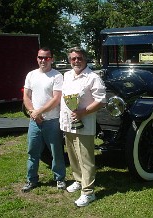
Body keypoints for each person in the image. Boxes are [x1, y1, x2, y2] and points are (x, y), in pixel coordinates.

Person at [60, 47, 106, 207]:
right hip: (67, 123)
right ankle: (79, 181)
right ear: (69, 60)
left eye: (79, 58)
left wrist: (82, 112)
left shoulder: (93, 77)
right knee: (72, 156)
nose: (76, 61)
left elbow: (101, 100)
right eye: (73, 58)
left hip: (84, 124)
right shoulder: (66, 75)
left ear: (85, 59)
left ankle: (88, 192)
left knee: (86, 159)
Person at [21, 47, 66, 192]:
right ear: (37, 58)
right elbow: (26, 97)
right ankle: (31, 180)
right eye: (40, 57)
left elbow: (56, 98)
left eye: (46, 58)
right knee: (32, 152)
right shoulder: (31, 75)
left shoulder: (57, 76)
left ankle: (59, 178)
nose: (43, 60)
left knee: (56, 152)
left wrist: (39, 111)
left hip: (52, 121)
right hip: (34, 121)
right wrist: (33, 112)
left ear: (51, 59)